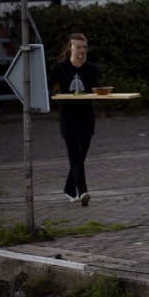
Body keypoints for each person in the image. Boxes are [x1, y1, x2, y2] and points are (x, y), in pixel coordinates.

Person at [48, 33, 98, 206]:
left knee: (80, 156)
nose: (82, 50)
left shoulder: (91, 68)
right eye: (78, 47)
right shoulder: (60, 68)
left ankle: (69, 189)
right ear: (71, 48)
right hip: (68, 116)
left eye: (84, 47)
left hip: (86, 116)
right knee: (75, 156)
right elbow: (46, 86)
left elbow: (96, 89)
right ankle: (83, 191)